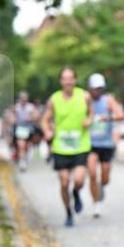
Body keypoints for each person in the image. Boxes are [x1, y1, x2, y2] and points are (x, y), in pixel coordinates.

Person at [41, 68, 93, 227]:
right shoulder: (54, 99)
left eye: (71, 78)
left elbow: (91, 114)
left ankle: (76, 192)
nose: (68, 82)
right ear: (61, 81)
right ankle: (68, 212)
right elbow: (45, 119)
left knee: (79, 180)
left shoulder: (84, 96)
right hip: (61, 147)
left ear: (75, 80)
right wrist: (47, 131)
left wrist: (89, 121)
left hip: (80, 145)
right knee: (64, 182)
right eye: (65, 79)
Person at [86, 73, 124, 218]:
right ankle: (96, 205)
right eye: (95, 88)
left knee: (105, 177)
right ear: (89, 88)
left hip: (106, 144)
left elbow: (120, 115)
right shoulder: (85, 100)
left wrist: (108, 118)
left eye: (100, 88)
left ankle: (102, 186)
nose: (98, 91)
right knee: (92, 173)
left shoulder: (108, 100)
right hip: (90, 144)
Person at [11, 91, 40, 171]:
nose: (23, 100)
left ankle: (25, 157)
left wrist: (31, 117)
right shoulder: (16, 107)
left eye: (25, 99)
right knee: (21, 145)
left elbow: (37, 116)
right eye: (22, 99)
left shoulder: (30, 107)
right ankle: (21, 160)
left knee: (26, 146)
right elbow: (12, 117)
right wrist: (14, 119)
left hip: (28, 128)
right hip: (19, 128)